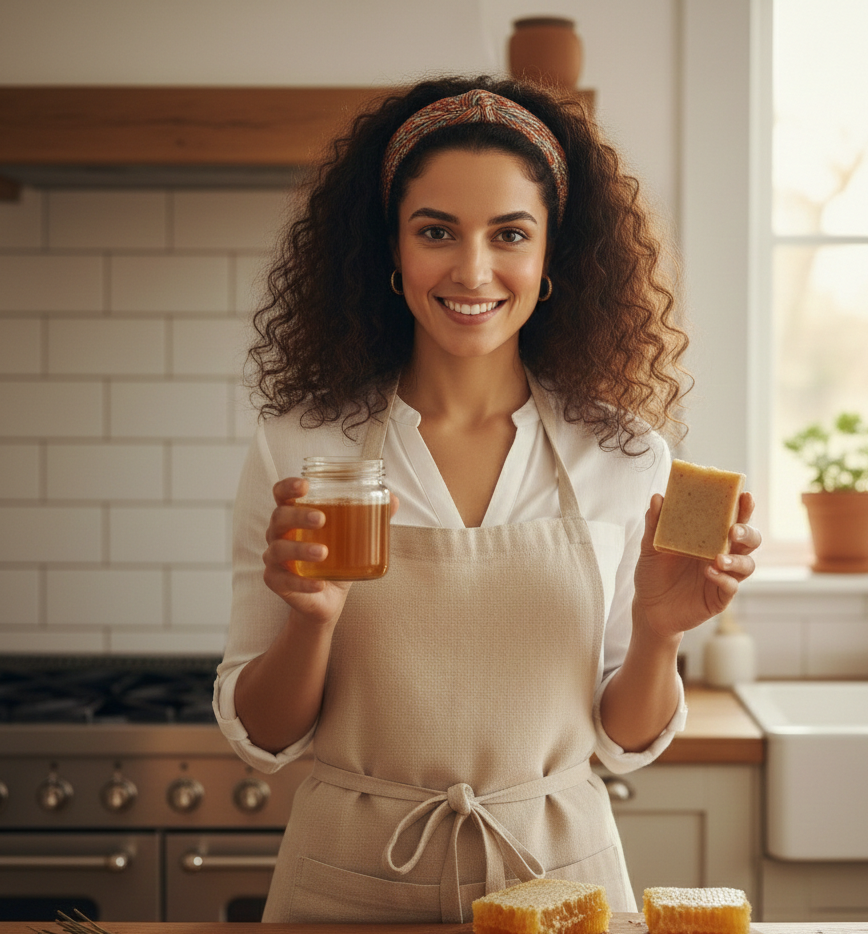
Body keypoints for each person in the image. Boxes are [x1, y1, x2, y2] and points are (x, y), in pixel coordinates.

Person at [213, 74, 760, 924]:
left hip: (559, 886)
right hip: (345, 883)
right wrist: (311, 620)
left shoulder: (625, 456)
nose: (473, 270)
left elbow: (623, 738)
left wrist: (658, 634)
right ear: (390, 252)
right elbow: (264, 736)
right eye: (436, 231)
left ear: (552, 259)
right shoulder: (304, 447)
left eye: (511, 233)